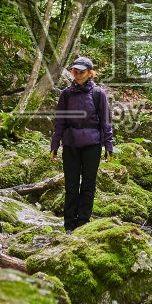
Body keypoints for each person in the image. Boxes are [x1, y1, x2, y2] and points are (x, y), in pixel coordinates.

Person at [51, 56, 114, 231]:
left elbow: (106, 122)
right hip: (70, 145)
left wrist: (109, 147)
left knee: (88, 186)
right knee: (71, 187)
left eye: (82, 73)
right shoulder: (66, 94)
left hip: (92, 146)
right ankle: (69, 226)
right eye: (76, 72)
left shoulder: (98, 94)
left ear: (90, 74)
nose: (78, 76)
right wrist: (54, 146)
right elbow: (59, 122)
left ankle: (83, 224)